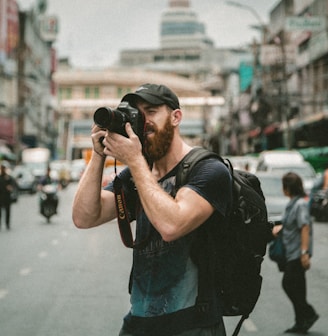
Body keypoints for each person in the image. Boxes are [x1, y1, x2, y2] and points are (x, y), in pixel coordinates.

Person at [72, 83, 232, 336]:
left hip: (192, 324)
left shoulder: (208, 170)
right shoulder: (140, 173)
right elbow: (84, 216)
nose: (143, 121)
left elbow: (172, 226)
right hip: (139, 321)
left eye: (151, 110)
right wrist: (99, 155)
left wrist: (135, 160)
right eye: (136, 113)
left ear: (176, 117)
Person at [272, 172, 319, 334]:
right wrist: (281, 228)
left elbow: (304, 226)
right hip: (291, 251)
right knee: (297, 287)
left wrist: (304, 253)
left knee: (289, 284)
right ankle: (301, 321)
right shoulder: (292, 203)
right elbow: (290, 223)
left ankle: (308, 313)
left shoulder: (300, 204)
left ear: (288, 188)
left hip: (297, 253)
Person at [0, 161, 17, 230]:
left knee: (7, 211)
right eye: (2, 168)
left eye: (3, 168)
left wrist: (11, 188)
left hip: (7, 197)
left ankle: (7, 224)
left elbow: (13, 185)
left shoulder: (9, 178)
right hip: (0, 196)